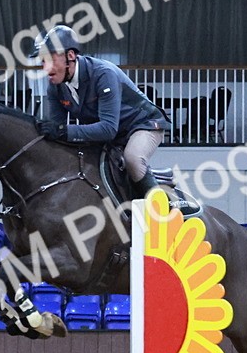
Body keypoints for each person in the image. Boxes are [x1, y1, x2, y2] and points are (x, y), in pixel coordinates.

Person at [30, 24, 197, 215]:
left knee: (133, 158)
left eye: (50, 59)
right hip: (114, 133)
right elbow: (57, 130)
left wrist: (63, 131)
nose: (45, 68)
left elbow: (107, 129)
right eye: (42, 62)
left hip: (144, 124)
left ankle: (163, 209)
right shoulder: (55, 87)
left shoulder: (103, 73)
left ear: (70, 56)